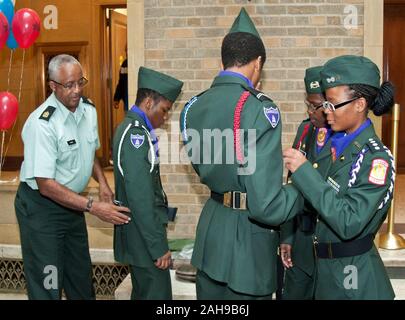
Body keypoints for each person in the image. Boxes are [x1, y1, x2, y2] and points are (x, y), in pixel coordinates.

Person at [180, 8, 302, 300]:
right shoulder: (260, 108)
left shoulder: (192, 107)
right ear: (258, 62)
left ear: (223, 60)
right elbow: (266, 205)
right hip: (248, 243)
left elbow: (203, 166)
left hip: (211, 232)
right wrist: (303, 191)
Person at [14, 54, 131, 300]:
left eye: (80, 82)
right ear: (53, 86)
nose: (77, 90)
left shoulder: (88, 110)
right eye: (69, 85)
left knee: (80, 276)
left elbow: (90, 152)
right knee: (49, 280)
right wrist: (93, 207)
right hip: (41, 209)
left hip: (71, 205)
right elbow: (46, 185)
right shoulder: (42, 124)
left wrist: (103, 184)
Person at [283, 55, 396, 299]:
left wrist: (304, 171)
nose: (326, 111)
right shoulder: (333, 147)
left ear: (359, 104)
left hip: (352, 279)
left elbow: (348, 222)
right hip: (324, 271)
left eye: (332, 104)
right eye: (325, 104)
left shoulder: (376, 159)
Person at [113, 66, 183, 300]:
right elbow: (141, 198)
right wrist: (157, 246)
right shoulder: (135, 135)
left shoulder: (138, 130)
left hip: (141, 236)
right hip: (143, 240)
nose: (164, 119)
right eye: (164, 111)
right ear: (148, 103)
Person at [279, 66, 332, 300]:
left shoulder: (346, 138)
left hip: (330, 242)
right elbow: (293, 187)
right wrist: (287, 236)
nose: (310, 111)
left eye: (316, 106)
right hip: (302, 236)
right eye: (308, 104)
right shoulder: (305, 130)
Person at [113, 44, 128, 111]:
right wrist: (117, 98)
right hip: (127, 100)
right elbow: (121, 83)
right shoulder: (124, 64)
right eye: (126, 50)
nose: (127, 52)